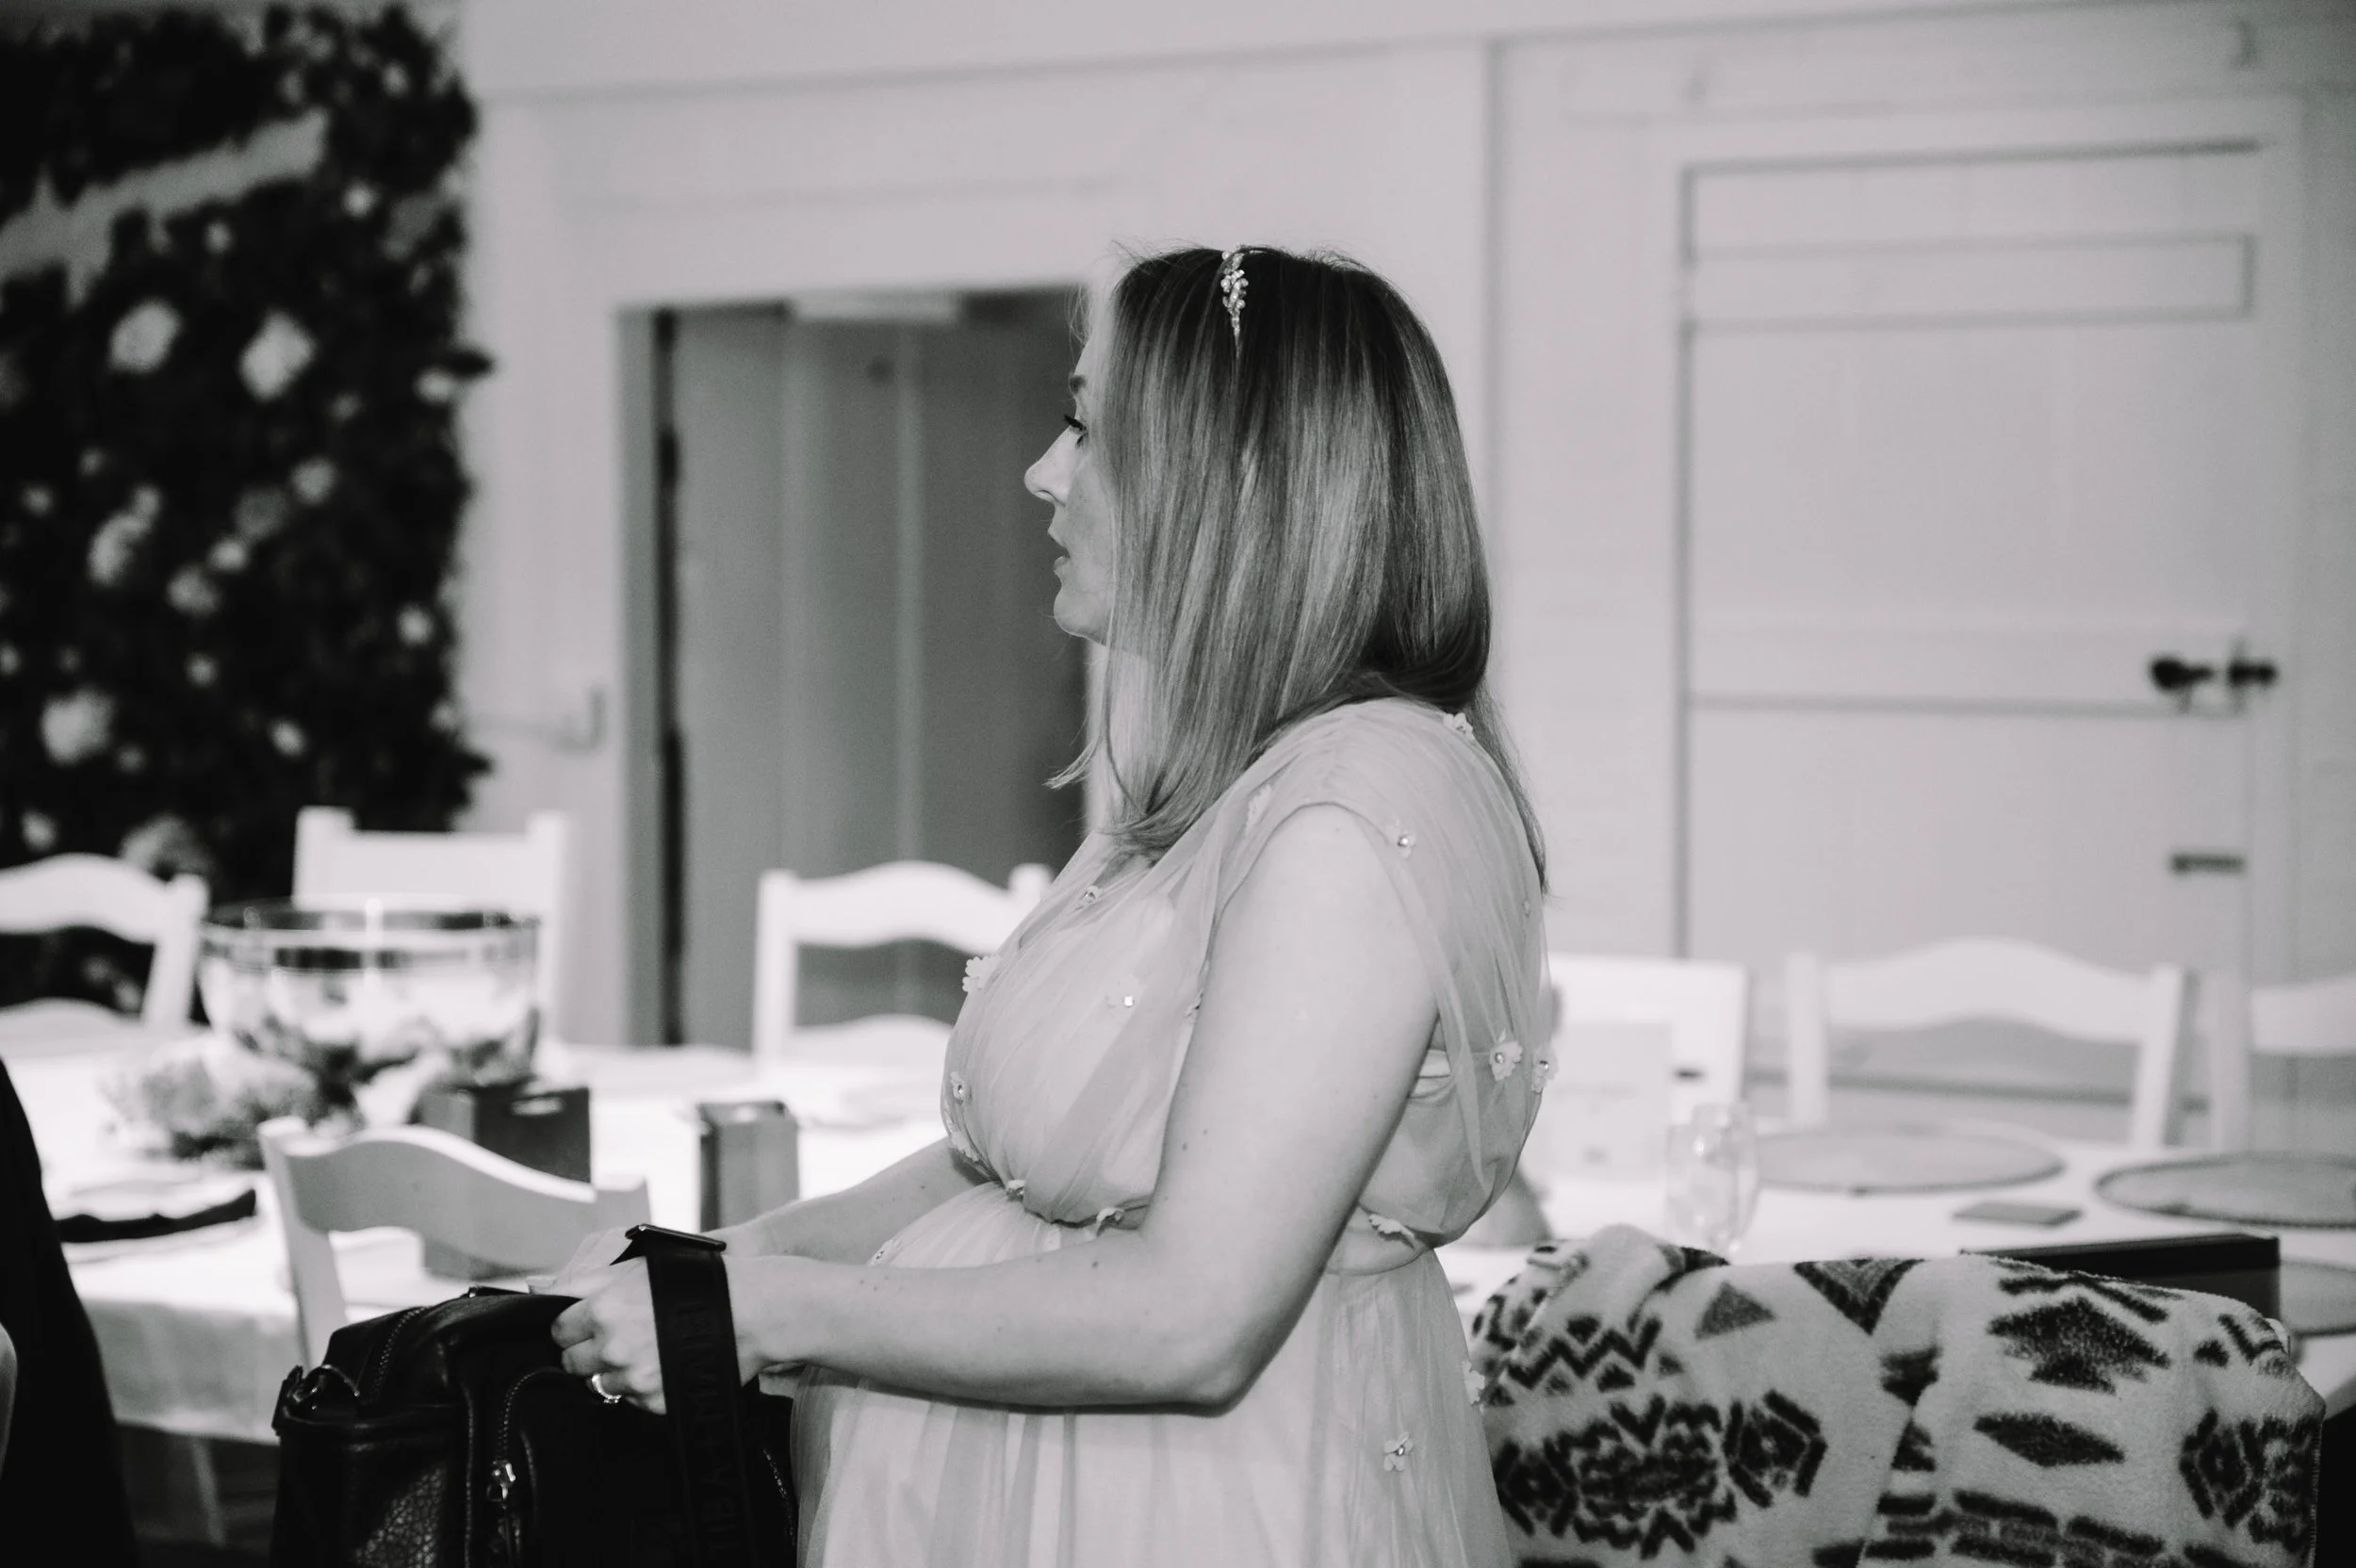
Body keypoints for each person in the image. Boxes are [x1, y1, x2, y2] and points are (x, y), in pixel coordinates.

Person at [551, 245, 1551, 1567]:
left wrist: (769, 1313)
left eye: (1087, 427)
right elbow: (1010, 1165)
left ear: (1228, 480)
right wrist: (718, 1266)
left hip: (1199, 1513)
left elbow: (1194, 1319)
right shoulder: (1231, 780)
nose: (1042, 469)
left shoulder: (1348, 819)